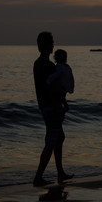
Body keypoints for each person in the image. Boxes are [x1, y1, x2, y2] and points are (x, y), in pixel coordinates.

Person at [33, 31, 74, 187]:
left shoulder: (37, 64)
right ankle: (38, 177)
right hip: (51, 107)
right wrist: (62, 105)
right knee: (51, 141)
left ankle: (60, 173)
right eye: (51, 42)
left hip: (44, 106)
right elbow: (55, 88)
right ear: (47, 45)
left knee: (59, 137)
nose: (53, 45)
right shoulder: (49, 65)